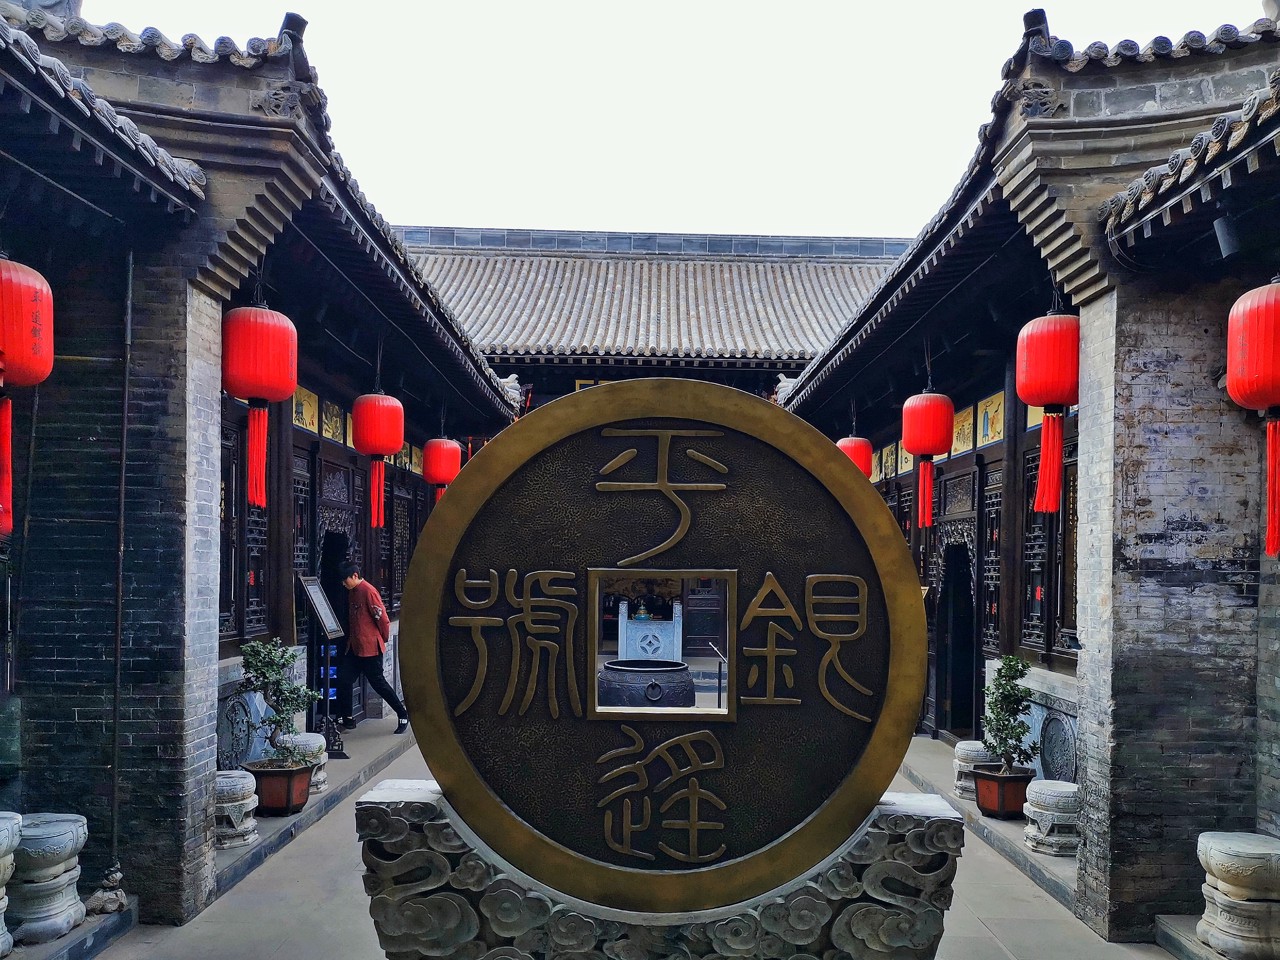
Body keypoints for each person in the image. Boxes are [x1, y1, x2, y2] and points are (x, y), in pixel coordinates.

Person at [336, 561, 409, 734]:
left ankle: (402, 713)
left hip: (370, 648)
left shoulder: (368, 591)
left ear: (355, 575)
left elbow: (382, 618)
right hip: (355, 647)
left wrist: (381, 638)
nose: (343, 583)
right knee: (344, 679)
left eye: (345, 580)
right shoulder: (352, 592)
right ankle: (347, 718)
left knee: (378, 684)